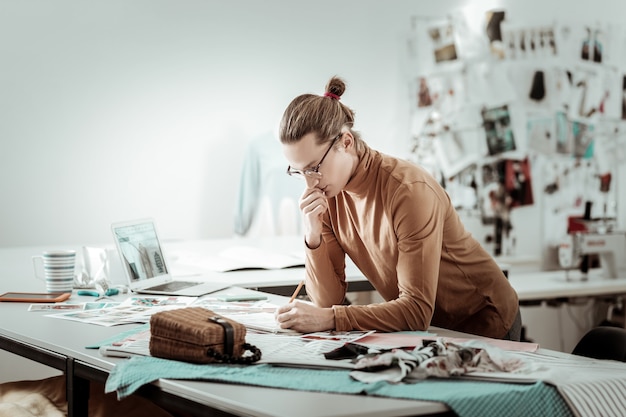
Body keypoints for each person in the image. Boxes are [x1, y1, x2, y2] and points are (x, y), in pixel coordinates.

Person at [275, 76, 521, 341]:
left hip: (483, 321)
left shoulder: (408, 190)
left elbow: (416, 311)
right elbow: (327, 300)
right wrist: (313, 237)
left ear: (346, 142)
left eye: (314, 168)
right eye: (299, 173)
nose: (310, 183)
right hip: (429, 332)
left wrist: (333, 318)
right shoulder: (327, 194)